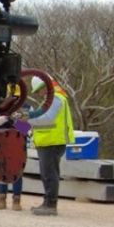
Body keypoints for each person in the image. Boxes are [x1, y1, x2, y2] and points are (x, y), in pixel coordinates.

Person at [26, 77, 75, 216]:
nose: (39, 93)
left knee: (50, 174)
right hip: (47, 142)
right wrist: (19, 123)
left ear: (46, 86)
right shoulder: (51, 100)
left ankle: (50, 205)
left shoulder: (56, 99)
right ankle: (47, 202)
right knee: (47, 173)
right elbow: (36, 121)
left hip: (53, 142)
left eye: (40, 90)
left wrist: (25, 118)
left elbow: (46, 119)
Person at [0, 111, 30, 211]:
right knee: (2, 171)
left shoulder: (25, 110)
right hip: (4, 146)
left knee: (17, 173)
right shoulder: (5, 110)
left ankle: (16, 200)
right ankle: (2, 199)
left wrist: (16, 121)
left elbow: (24, 130)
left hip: (17, 147)